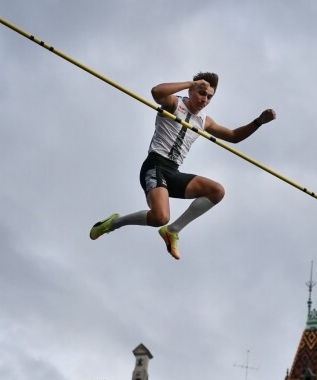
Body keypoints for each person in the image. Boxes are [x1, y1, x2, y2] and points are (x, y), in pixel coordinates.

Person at [89, 72, 276, 260]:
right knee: (160, 218)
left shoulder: (205, 121)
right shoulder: (174, 103)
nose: (205, 99)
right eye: (202, 93)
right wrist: (191, 83)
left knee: (216, 191)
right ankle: (114, 223)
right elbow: (156, 92)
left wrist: (258, 122)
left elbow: (234, 137)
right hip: (155, 165)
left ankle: (172, 231)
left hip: (173, 172)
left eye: (210, 97)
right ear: (191, 90)